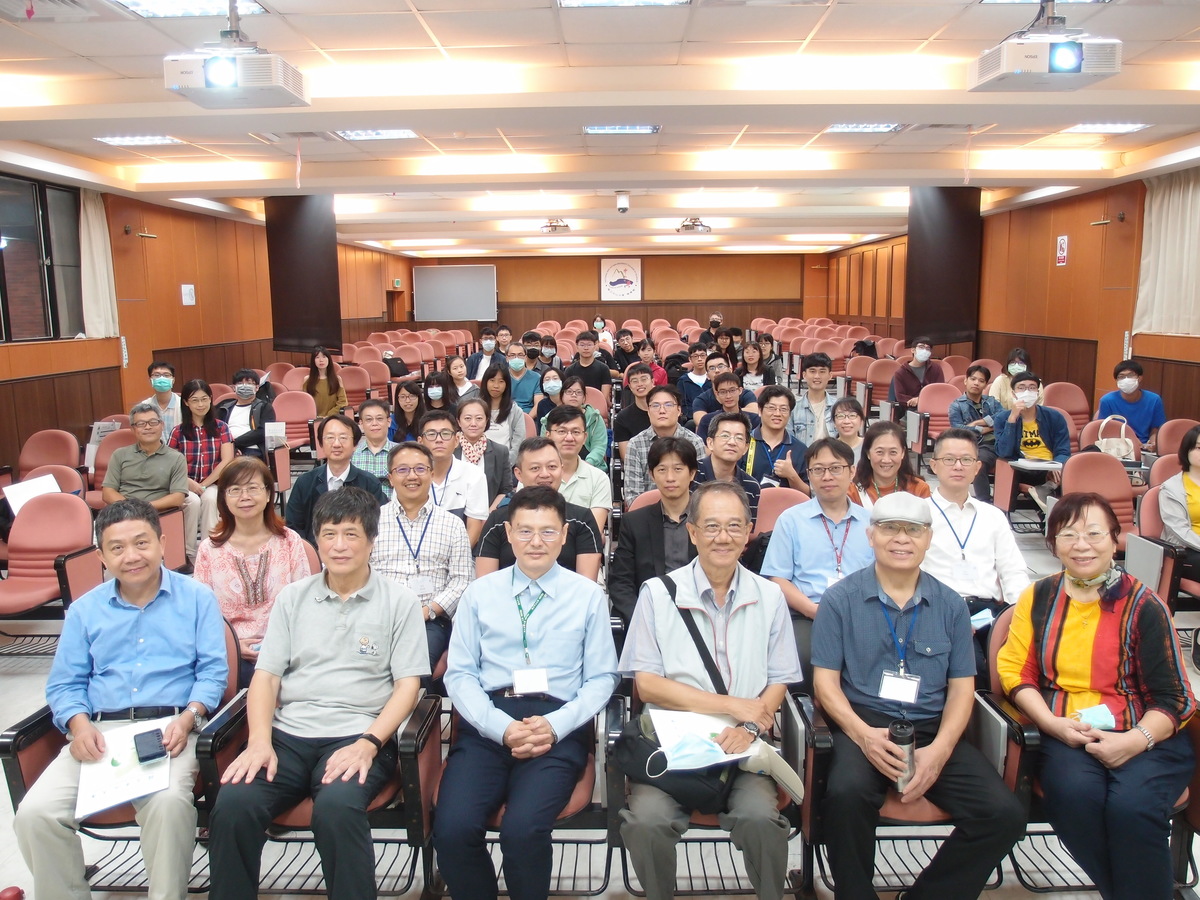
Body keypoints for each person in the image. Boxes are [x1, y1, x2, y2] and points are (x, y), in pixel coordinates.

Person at [208, 487, 429, 900]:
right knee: (234, 804)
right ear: (316, 540)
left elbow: (407, 686)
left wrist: (368, 744)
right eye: (329, 535)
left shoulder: (399, 602)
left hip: (357, 734)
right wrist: (258, 742)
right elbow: (266, 676)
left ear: (371, 541)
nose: (339, 546)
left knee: (336, 808)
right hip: (288, 737)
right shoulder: (293, 598)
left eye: (350, 535)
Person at [812, 492, 1025, 900]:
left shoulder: (950, 605)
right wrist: (862, 735)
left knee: (1003, 815)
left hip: (931, 729)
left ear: (929, 539)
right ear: (871, 535)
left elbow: (963, 689)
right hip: (863, 725)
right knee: (843, 796)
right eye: (890, 528)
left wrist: (941, 750)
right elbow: (825, 683)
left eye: (914, 530)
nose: (901, 539)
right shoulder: (840, 600)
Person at [15, 499, 228, 900]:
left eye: (141, 543)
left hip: (169, 729)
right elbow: (65, 685)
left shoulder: (197, 598)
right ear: (101, 555)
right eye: (117, 548)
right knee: (35, 814)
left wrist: (189, 717)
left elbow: (213, 673)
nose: (131, 556)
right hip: (99, 733)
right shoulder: (83, 611)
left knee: (167, 806)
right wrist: (78, 726)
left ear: (163, 542)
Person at [998, 492, 1196, 900]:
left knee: (1133, 808)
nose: (1081, 545)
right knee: (1075, 796)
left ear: (1114, 538)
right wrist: (1052, 724)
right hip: (1067, 732)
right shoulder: (1038, 598)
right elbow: (1016, 671)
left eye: (1093, 533)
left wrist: (1134, 741)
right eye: (1068, 535)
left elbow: (1175, 697)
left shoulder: (1145, 605)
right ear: (1052, 544)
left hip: (1146, 735)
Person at [619, 480, 802, 900]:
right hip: (672, 745)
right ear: (693, 532)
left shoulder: (770, 596)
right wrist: (733, 705)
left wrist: (750, 728)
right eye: (713, 527)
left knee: (760, 819)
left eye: (735, 526)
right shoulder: (659, 594)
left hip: (742, 748)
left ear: (748, 532)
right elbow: (646, 685)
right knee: (647, 823)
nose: (724, 537)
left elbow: (779, 679)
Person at [433, 486, 619, 900]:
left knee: (523, 830)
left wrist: (555, 726)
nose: (537, 542)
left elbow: (603, 678)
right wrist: (500, 727)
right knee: (452, 828)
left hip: (558, 725)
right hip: (488, 722)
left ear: (565, 533)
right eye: (526, 531)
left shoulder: (587, 596)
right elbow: (460, 675)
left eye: (548, 532)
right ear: (509, 533)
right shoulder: (480, 594)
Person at [761, 438, 873, 687]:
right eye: (818, 470)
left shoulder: (872, 522)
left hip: (864, 613)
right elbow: (777, 578)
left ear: (852, 471)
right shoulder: (791, 520)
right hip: (808, 612)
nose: (827, 476)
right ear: (809, 474)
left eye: (835, 468)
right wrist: (813, 610)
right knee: (804, 660)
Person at [923, 429, 1030, 686]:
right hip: (941, 610)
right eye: (949, 459)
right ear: (934, 465)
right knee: (976, 669)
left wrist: (1019, 613)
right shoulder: (920, 514)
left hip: (989, 611)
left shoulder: (992, 515)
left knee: (1017, 667)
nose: (958, 466)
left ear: (977, 467)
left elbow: (1012, 569)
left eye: (966, 460)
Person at [194, 457, 312, 688]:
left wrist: (278, 645)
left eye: (252, 488)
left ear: (268, 494)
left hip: (286, 648)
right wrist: (235, 645)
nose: (244, 497)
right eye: (235, 490)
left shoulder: (289, 541)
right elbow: (202, 614)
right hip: (229, 651)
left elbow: (306, 603)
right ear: (224, 499)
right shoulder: (209, 549)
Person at [371, 442, 473, 676]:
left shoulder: (452, 524)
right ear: (390, 477)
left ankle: (415, 713)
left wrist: (427, 610)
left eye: (419, 469)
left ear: (431, 473)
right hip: (378, 616)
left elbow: (462, 581)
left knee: (413, 669)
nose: (412, 477)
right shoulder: (371, 521)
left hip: (429, 621)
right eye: (403, 470)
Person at [475, 438, 603, 581]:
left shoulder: (582, 519)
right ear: (518, 474)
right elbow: (485, 585)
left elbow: (585, 587)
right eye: (535, 468)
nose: (545, 474)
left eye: (552, 467)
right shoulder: (497, 521)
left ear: (562, 469)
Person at [609, 436, 699, 626]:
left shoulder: (709, 521)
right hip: (651, 615)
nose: (670, 478)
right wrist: (643, 621)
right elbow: (621, 582)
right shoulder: (634, 522)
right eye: (662, 470)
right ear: (651, 475)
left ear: (692, 473)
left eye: (678, 469)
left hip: (700, 615)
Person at [103, 402, 200, 566]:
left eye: (153, 422)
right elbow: (108, 492)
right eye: (141, 424)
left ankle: (184, 556)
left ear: (162, 425)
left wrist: (143, 508)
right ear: (133, 429)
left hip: (158, 511)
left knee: (192, 501)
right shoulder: (120, 455)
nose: (147, 427)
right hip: (124, 512)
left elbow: (177, 498)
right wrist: (130, 509)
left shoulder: (175, 458)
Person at [285, 414, 387, 545]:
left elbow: (380, 524)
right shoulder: (305, 482)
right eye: (330, 438)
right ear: (321, 443)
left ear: (355, 444)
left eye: (343, 438)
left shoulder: (369, 483)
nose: (336, 444)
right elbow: (293, 527)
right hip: (314, 556)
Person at [994, 369, 1071, 512]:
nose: (1027, 392)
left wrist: (1057, 465)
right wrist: (1012, 419)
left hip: (1050, 467)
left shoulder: (1055, 417)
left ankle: (1045, 492)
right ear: (1013, 393)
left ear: (1038, 392)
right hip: (1023, 469)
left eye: (1032, 388)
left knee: (1087, 457)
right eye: (1021, 388)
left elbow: (1063, 449)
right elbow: (1003, 452)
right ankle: (1045, 491)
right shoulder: (1002, 418)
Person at [168, 378, 233, 545]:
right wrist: (191, 484)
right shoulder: (178, 431)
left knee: (211, 499)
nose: (200, 404)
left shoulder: (221, 427)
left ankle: (210, 546)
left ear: (211, 399)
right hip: (185, 484)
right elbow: (171, 464)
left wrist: (204, 484)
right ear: (186, 403)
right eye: (195, 400)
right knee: (193, 502)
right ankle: (188, 551)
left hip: (211, 483)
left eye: (204, 399)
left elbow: (227, 460)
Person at [623, 385, 707, 505]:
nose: (662, 411)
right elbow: (632, 494)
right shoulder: (635, 444)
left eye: (668, 405)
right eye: (655, 405)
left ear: (679, 410)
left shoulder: (694, 442)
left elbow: (699, 489)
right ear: (648, 411)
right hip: (647, 515)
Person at [418, 409, 490, 546]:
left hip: (460, 553)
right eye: (431, 434)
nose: (439, 440)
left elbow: (474, 528)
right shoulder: (410, 476)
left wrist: (456, 559)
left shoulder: (474, 475)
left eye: (445, 434)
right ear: (420, 441)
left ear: (457, 440)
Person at [546, 404, 611, 532]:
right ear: (548, 435)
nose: (569, 438)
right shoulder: (532, 475)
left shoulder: (598, 478)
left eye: (576, 432)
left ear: (584, 437)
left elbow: (592, 532)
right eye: (561, 431)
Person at [948, 364, 1004, 503]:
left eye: (981, 380)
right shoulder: (956, 405)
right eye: (973, 379)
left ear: (985, 384)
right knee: (979, 462)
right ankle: (984, 501)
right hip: (977, 444)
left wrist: (977, 423)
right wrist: (982, 429)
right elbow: (958, 428)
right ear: (966, 381)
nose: (976, 383)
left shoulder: (991, 402)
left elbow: (1003, 417)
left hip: (998, 442)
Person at [693, 411, 761, 525]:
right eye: (725, 436)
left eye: (739, 438)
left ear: (745, 448)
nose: (732, 442)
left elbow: (745, 531)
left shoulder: (751, 486)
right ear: (710, 443)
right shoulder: (690, 473)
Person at [849, 420, 931, 509]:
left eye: (893, 452)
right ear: (868, 453)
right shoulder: (853, 491)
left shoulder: (919, 489)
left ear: (903, 453)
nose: (886, 460)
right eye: (879, 452)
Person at [1096, 358, 1167, 452]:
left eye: (1130, 375)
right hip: (1118, 448)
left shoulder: (1154, 400)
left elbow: (1156, 428)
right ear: (1117, 381)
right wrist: (1130, 441)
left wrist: (1154, 443)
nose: (1126, 380)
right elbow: (1105, 430)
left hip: (1144, 448)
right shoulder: (1107, 401)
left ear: (1140, 378)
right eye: (1121, 377)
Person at [747, 385, 808, 492]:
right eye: (771, 408)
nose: (777, 414)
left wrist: (792, 476)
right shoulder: (744, 444)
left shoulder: (801, 450)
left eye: (783, 409)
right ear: (760, 410)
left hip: (788, 507)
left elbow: (808, 495)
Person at [455, 397, 514, 508]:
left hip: (488, 513)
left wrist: (489, 514)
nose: (473, 423)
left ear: (486, 420)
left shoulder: (500, 452)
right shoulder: (449, 450)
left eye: (479, 418)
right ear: (459, 421)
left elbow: (505, 490)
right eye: (467, 418)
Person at [1159, 423, 1200, 584]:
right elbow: (1180, 531)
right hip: (1187, 550)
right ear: (1186, 451)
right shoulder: (1171, 489)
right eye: (1198, 448)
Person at [541, 375, 608, 471]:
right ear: (562, 396)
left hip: (591, 467)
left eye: (578, 392)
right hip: (557, 466)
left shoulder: (595, 418)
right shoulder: (550, 418)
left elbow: (599, 447)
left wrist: (587, 464)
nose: (574, 395)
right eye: (569, 392)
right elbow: (545, 446)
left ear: (584, 397)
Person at [216, 368, 276, 460]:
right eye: (240, 383)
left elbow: (262, 432)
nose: (244, 386)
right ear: (233, 387)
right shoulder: (225, 407)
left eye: (249, 383)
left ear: (257, 387)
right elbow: (217, 430)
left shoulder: (264, 407)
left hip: (252, 449)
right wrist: (231, 447)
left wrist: (233, 443)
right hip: (226, 449)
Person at [691, 354, 759, 428]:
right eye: (712, 368)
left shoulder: (745, 394)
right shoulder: (701, 399)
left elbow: (754, 412)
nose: (717, 371)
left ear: (730, 369)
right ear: (707, 375)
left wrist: (724, 413)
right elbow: (701, 421)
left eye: (720, 366)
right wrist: (733, 412)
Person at [480, 361, 526, 466]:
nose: (496, 385)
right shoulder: (476, 409)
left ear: (507, 385)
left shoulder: (515, 411)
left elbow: (519, 441)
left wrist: (506, 464)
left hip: (506, 464)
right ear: (485, 382)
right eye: (492, 380)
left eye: (501, 381)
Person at [350, 398, 397, 498]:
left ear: (388, 421)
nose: (374, 423)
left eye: (379, 419)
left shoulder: (401, 452)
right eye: (369, 419)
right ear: (361, 424)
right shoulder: (351, 454)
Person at [697, 371, 761, 441]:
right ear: (717, 394)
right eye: (723, 392)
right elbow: (703, 447)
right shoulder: (707, 420)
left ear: (740, 390)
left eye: (732, 390)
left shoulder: (755, 420)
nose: (728, 396)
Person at [788, 352, 836, 446]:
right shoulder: (793, 407)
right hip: (803, 458)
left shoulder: (838, 407)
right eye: (812, 371)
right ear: (804, 375)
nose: (817, 376)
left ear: (830, 375)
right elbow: (789, 440)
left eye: (822, 371)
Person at [613, 362, 654, 460]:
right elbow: (626, 457)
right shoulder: (623, 417)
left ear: (653, 381)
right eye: (635, 381)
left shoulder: (664, 412)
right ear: (630, 387)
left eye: (644, 379)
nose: (640, 384)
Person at [892, 336, 946, 409]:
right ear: (913, 350)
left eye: (928, 348)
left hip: (933, 406)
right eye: (921, 347)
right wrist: (915, 401)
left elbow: (940, 390)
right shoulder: (901, 372)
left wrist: (920, 399)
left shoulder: (936, 369)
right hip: (911, 409)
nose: (924, 350)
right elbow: (900, 397)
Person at [564, 330, 613, 405]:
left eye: (589, 345)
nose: (586, 348)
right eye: (582, 345)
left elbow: (603, 397)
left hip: (597, 407)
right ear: (577, 347)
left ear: (595, 346)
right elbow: (567, 394)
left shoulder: (603, 368)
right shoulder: (570, 370)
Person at [303, 346, 347, 418]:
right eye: (317, 357)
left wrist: (328, 416)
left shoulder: (337, 379)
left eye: (324, 357)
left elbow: (343, 402)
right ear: (313, 361)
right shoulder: (307, 380)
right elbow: (305, 403)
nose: (321, 360)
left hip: (332, 418)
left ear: (329, 359)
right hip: (314, 419)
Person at [144, 360, 182, 438]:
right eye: (157, 375)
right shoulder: (144, 406)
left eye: (166, 375)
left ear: (173, 380)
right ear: (150, 381)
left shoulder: (183, 405)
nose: (162, 378)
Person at [506, 342, 542, 414]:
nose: (516, 358)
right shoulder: (502, 377)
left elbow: (538, 405)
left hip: (529, 415)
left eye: (520, 355)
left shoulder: (536, 377)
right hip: (506, 415)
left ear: (525, 358)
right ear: (507, 358)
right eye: (512, 355)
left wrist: (527, 420)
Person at [830, 396, 865, 464]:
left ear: (861, 421)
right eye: (840, 416)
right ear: (834, 422)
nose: (846, 421)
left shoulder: (868, 447)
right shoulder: (829, 448)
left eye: (852, 415)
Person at [677, 344, 713, 409]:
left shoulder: (713, 378)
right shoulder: (683, 381)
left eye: (702, 355)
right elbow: (683, 405)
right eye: (695, 356)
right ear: (690, 359)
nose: (699, 359)